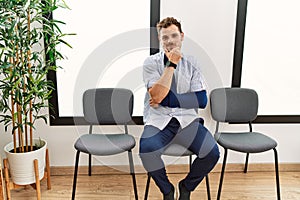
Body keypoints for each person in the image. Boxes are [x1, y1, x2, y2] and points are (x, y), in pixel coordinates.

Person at [139, 17, 220, 200]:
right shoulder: (150, 63)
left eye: (174, 35)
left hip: (187, 120)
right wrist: (171, 64)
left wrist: (167, 100)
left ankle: (186, 186)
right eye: (165, 37)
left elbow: (201, 100)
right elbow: (157, 96)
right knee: (146, 151)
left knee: (212, 153)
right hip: (159, 120)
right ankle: (167, 190)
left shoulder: (193, 63)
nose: (170, 41)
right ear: (160, 40)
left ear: (182, 36)